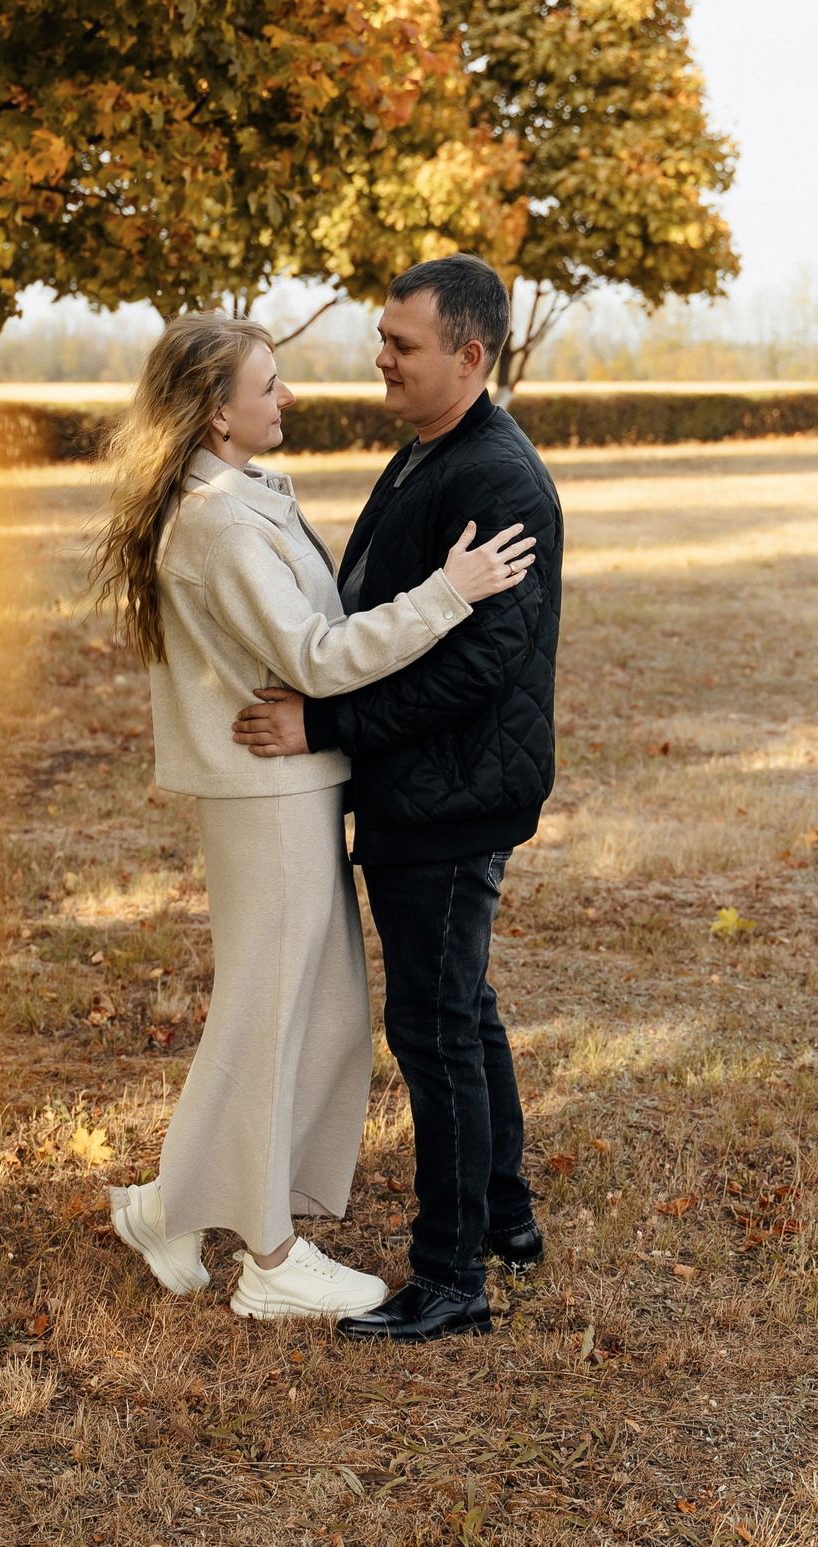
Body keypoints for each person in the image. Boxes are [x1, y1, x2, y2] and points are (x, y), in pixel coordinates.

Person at [87, 312, 538, 1322]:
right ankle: (271, 1256)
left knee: (309, 1008)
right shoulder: (213, 521)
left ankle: (170, 1208)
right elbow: (317, 657)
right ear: (215, 417)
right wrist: (448, 593)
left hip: (294, 790)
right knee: (272, 1008)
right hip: (268, 796)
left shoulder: (235, 496)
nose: (287, 397)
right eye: (268, 385)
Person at [231, 254, 563, 1343]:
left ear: (469, 357)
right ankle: (504, 1222)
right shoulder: (431, 452)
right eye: (382, 336)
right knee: (460, 1008)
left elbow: (479, 665)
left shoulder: (497, 480)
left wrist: (322, 726)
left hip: (452, 793)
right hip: (432, 786)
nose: (381, 357)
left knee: (431, 1027)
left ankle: (450, 1275)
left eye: (403, 344)